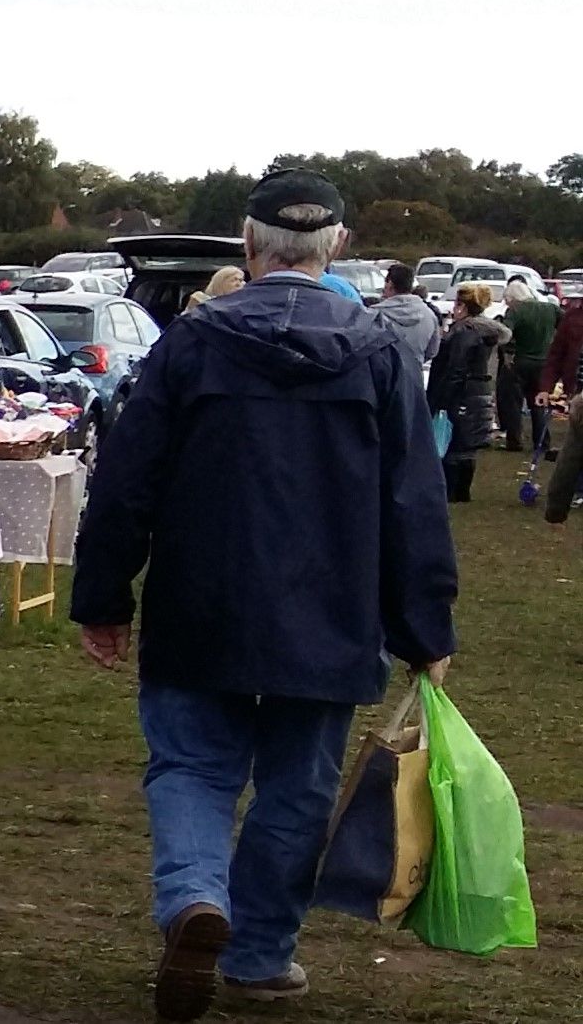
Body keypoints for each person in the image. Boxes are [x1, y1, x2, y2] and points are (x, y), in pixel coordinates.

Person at [72, 169, 455, 1021]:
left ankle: (194, 901)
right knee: (295, 789)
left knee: (189, 768)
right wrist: (423, 623)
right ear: (338, 249)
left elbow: (125, 481)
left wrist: (103, 596)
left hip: (199, 603)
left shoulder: (192, 343)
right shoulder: (381, 354)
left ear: (247, 248)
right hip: (328, 615)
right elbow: (411, 504)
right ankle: (254, 952)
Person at [428, 284, 509, 502]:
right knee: (468, 441)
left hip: (462, 392)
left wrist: (441, 399)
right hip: (479, 390)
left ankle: (453, 490)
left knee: (454, 440)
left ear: (462, 306)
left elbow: (456, 367)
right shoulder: (484, 332)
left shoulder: (464, 333)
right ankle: (462, 490)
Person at [501, 277, 558, 453]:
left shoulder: (516, 310)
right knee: (539, 404)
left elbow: (505, 333)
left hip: (520, 361)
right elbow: (566, 326)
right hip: (544, 363)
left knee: (514, 404)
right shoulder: (550, 308)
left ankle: (514, 441)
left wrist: (507, 351)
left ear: (513, 298)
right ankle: (542, 442)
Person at [539, 295, 583, 524]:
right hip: (578, 393)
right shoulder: (573, 318)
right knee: (573, 451)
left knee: (573, 453)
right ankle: (562, 502)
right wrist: (546, 388)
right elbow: (556, 355)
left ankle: (559, 505)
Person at [374, 264, 440, 368]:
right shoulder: (429, 315)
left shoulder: (375, 314)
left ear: (389, 284)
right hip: (414, 376)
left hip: (382, 376)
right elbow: (432, 351)